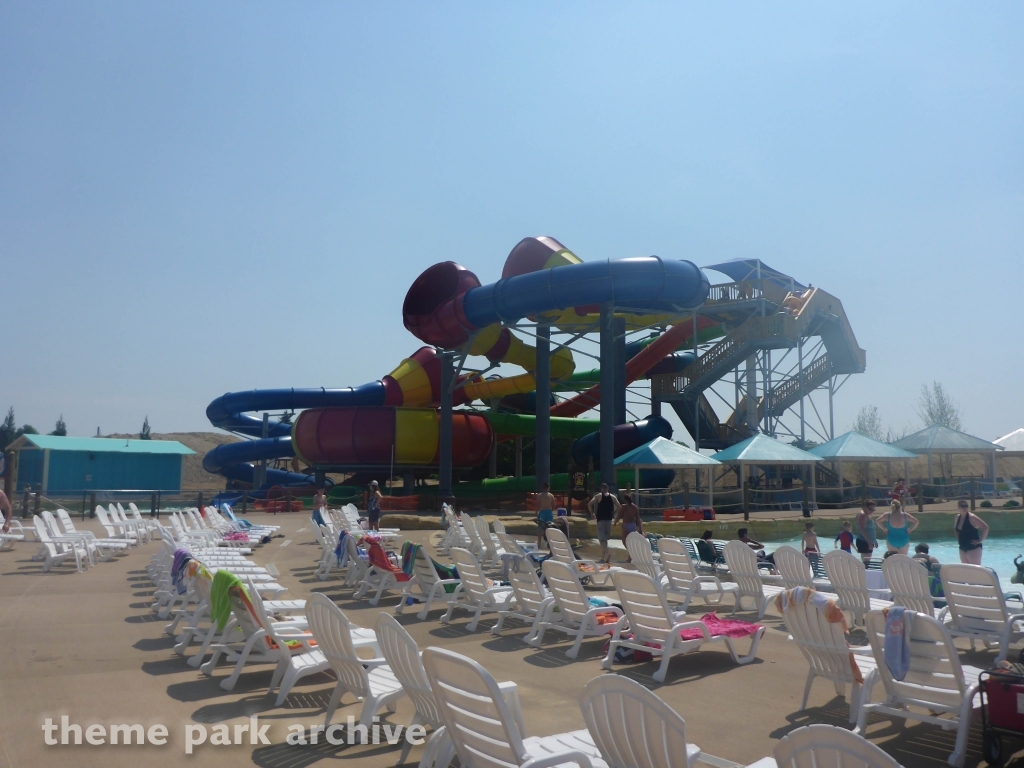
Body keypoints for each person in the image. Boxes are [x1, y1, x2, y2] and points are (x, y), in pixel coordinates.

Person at [587, 483, 620, 563]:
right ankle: (602, 557)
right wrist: (613, 513)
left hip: (601, 519)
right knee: (605, 539)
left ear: (601, 489)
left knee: (601, 539)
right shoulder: (613, 497)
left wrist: (592, 513)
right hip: (609, 520)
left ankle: (608, 553)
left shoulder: (598, 496)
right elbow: (620, 507)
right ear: (607, 488)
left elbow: (589, 504)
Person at [954, 499, 988, 564]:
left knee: (975, 569)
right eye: (962, 506)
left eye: (966, 506)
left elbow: (985, 527)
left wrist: (980, 540)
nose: (965, 508)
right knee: (966, 569)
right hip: (962, 547)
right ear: (958, 507)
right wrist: (958, 539)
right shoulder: (957, 517)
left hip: (973, 547)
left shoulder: (972, 517)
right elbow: (955, 529)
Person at [535, 482, 556, 548]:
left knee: (540, 528)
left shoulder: (540, 495)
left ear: (543, 488)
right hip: (549, 512)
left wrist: (536, 512)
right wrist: (551, 510)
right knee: (549, 527)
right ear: (548, 488)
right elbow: (553, 504)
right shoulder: (551, 495)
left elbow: (538, 504)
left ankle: (539, 542)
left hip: (542, 512)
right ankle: (550, 542)